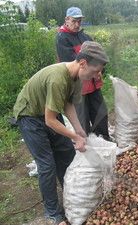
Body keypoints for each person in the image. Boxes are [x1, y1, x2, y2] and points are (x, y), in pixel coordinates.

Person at [13, 41, 109, 225]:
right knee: (47, 165)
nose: (98, 75)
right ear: (83, 63)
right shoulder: (58, 78)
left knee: (66, 154)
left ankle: (71, 196)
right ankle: (52, 212)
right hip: (30, 116)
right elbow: (50, 121)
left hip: (47, 113)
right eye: (96, 71)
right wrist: (74, 136)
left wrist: (79, 129)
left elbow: (68, 104)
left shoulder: (77, 78)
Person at [56, 7, 110, 140]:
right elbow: (73, 62)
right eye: (74, 21)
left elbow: (99, 56)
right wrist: (93, 69)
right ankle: (85, 142)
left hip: (94, 82)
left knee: (100, 113)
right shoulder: (62, 38)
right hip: (78, 85)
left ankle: (103, 139)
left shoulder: (85, 36)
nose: (77, 24)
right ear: (66, 20)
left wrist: (99, 70)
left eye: (79, 21)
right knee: (82, 117)